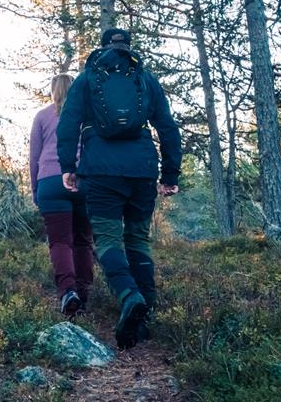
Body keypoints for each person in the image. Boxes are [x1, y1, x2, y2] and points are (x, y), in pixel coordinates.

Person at [56, 27, 182, 349]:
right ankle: (146, 315)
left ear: (102, 47)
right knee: (138, 238)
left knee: (109, 239)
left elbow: (68, 123)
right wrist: (170, 174)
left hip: (101, 171)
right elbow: (167, 127)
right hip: (141, 169)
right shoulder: (145, 79)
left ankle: (129, 296)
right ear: (129, 47)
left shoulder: (87, 79)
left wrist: (68, 167)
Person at [29, 73, 94, 316]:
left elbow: (34, 156)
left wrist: (35, 189)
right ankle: (84, 292)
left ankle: (68, 291)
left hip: (50, 182)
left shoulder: (42, 116)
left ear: (52, 90)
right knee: (83, 241)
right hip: (83, 181)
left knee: (60, 241)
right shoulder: (87, 114)